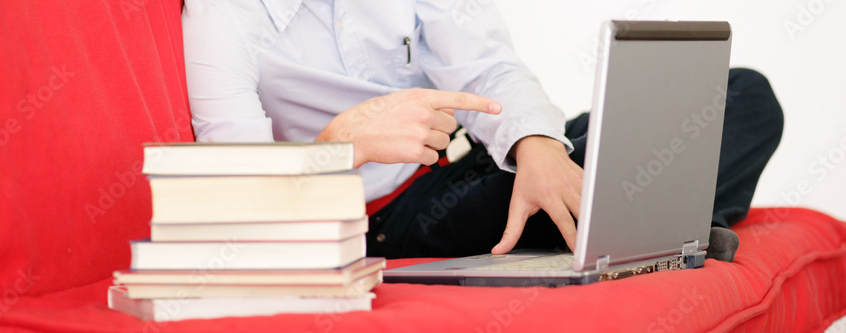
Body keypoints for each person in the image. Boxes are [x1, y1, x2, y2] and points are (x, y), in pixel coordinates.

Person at [181, 1, 783, 262]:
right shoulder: (221, 17)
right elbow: (237, 200)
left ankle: (646, 223)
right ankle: (664, 226)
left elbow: (489, 71)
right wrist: (344, 142)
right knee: (597, 175)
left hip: (472, 162)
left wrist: (539, 147)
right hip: (391, 221)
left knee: (744, 95)